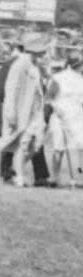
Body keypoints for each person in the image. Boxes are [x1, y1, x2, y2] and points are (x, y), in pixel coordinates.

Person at [1, 35, 51, 188]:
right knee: (22, 145)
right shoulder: (20, 65)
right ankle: (18, 176)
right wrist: (11, 112)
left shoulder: (34, 65)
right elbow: (11, 89)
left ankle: (16, 171)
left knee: (35, 145)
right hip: (22, 112)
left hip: (35, 112)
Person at [44, 51, 83, 188]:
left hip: (77, 117)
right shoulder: (58, 77)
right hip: (60, 117)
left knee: (81, 146)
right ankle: (54, 178)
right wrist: (56, 108)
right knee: (58, 147)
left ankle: (80, 177)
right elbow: (48, 98)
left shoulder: (81, 79)